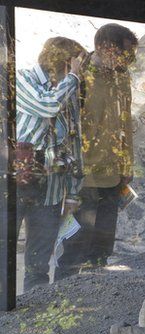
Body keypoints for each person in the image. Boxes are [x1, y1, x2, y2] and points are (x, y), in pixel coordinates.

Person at [56, 24, 137, 279]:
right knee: (77, 243)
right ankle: (62, 299)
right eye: (125, 54)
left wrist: (127, 165)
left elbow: (126, 123)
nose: (129, 60)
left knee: (102, 245)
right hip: (84, 173)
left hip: (112, 173)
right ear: (105, 47)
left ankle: (96, 295)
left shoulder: (121, 76)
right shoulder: (78, 76)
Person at [15, 37, 86, 290]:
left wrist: (74, 191)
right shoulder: (22, 79)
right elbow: (47, 106)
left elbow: (74, 141)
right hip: (16, 182)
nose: (80, 71)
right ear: (64, 62)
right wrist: (74, 77)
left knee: (39, 262)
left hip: (51, 189)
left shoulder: (67, 89)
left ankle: (35, 316)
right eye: (76, 64)